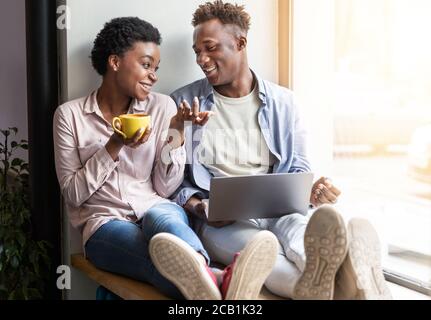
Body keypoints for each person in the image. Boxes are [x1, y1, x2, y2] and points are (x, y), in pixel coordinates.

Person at [170, 0, 392, 300]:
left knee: (303, 240)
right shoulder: (183, 104)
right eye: (197, 52)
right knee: (262, 257)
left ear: (240, 42)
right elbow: (172, 181)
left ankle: (353, 277)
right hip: (222, 222)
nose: (202, 58)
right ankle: (358, 283)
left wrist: (312, 191)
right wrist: (200, 207)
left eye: (210, 48)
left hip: (282, 211)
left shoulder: (284, 102)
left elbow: (298, 166)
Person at [53, 16, 278, 300]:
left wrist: (177, 133)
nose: (154, 75)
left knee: (169, 224)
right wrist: (114, 144)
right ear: (115, 62)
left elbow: (165, 188)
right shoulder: (69, 116)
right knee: (155, 257)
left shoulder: (162, 107)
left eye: (156, 68)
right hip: (104, 223)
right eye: (146, 65)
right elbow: (73, 195)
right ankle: (222, 282)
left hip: (155, 205)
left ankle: (212, 284)